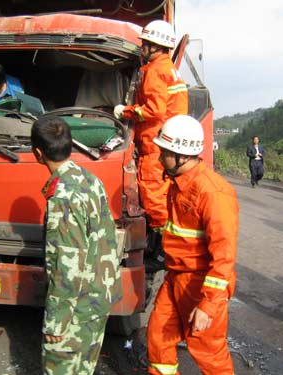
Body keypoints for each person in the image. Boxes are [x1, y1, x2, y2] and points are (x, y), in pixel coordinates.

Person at [31, 116, 124, 375]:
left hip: (77, 308)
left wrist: (56, 322)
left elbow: (67, 266)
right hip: (97, 297)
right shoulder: (89, 178)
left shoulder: (62, 196)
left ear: (38, 153)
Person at [147, 115, 239, 375]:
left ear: (181, 155)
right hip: (176, 277)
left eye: (163, 153)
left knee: (209, 354)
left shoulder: (213, 193)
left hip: (200, 285)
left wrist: (208, 305)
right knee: (158, 338)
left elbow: (224, 256)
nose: (158, 158)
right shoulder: (178, 183)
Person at [113, 20, 188, 265]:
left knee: (154, 197)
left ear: (156, 46)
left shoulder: (155, 70)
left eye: (145, 43)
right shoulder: (168, 68)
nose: (142, 47)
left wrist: (126, 111)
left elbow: (153, 111)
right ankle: (162, 249)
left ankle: (166, 253)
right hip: (166, 141)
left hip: (155, 143)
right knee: (163, 198)